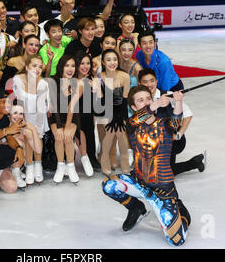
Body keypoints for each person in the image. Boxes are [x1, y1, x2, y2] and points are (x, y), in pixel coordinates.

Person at [102, 85, 190, 246]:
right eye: (141, 101)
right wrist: (155, 104)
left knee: (176, 240)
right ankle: (136, 208)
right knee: (109, 185)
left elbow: (176, 122)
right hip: (140, 184)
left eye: (148, 99)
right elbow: (135, 120)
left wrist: (178, 102)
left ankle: (179, 210)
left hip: (164, 190)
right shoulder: (131, 125)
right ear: (134, 107)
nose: (147, 102)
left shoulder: (165, 124)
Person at [138, 68, 206, 175]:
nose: (149, 84)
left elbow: (188, 114)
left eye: (152, 81)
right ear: (139, 83)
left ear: (156, 81)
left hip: (172, 141)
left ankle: (193, 163)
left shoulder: (169, 95)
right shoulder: (138, 99)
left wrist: (179, 134)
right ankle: (195, 162)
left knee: (164, 173)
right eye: (145, 82)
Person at [12, 55, 50, 184]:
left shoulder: (43, 83)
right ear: (27, 67)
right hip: (23, 114)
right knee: (28, 136)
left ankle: (38, 164)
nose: (37, 69)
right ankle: (29, 166)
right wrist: (25, 121)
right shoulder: (18, 79)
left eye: (40, 66)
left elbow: (42, 105)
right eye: (34, 66)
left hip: (39, 114)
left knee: (38, 135)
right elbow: (19, 99)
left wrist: (36, 126)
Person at [95, 49, 131, 177]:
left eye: (115, 59)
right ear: (103, 62)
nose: (112, 62)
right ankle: (105, 159)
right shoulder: (99, 78)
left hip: (120, 110)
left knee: (121, 132)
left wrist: (122, 118)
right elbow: (100, 101)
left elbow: (125, 99)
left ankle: (125, 162)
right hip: (105, 111)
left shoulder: (125, 76)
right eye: (109, 60)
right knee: (110, 132)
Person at [47, 54, 81, 184]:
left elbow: (72, 107)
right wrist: (59, 127)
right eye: (67, 65)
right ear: (61, 66)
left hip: (72, 117)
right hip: (56, 116)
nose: (70, 69)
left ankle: (71, 166)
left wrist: (67, 126)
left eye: (73, 66)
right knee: (59, 136)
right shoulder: (53, 81)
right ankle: (60, 166)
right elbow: (54, 105)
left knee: (68, 137)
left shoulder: (77, 83)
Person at [74, 51, 100, 174]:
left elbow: (96, 101)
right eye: (82, 63)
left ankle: (91, 157)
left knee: (89, 131)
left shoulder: (93, 79)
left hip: (87, 114)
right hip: (72, 114)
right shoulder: (70, 79)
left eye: (88, 63)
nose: (85, 66)